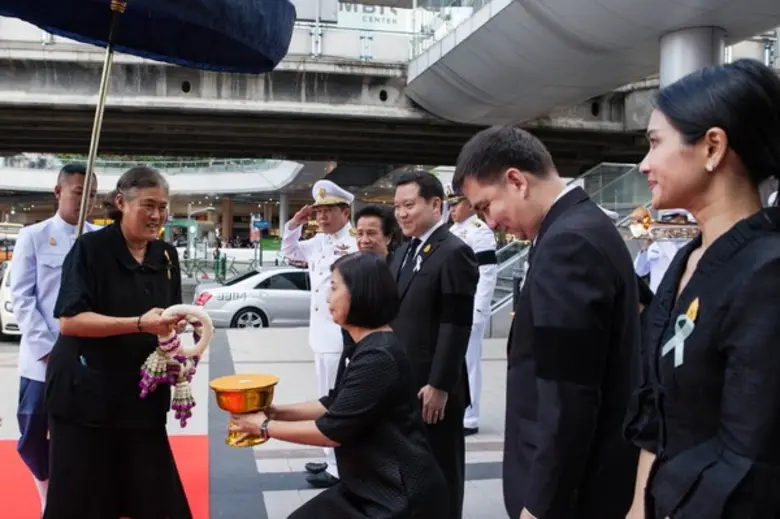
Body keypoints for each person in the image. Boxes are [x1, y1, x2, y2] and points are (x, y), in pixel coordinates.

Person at [453, 125, 640, 519]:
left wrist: (540, 505)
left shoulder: (567, 244)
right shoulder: (585, 227)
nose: (489, 223)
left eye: (486, 206)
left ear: (516, 180)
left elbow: (567, 398)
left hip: (570, 496)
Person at [624, 59, 780, 519]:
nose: (644, 164)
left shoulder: (767, 273)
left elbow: (751, 459)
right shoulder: (686, 260)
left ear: (713, 146)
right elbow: (659, 416)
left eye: (655, 143)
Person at [230, 252, 451, 519]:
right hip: (369, 485)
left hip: (398, 495)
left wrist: (263, 427)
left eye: (334, 288)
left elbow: (333, 430)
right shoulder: (369, 345)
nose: (327, 297)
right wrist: (277, 412)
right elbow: (334, 403)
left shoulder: (378, 356)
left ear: (360, 293)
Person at [44, 167, 191, 519]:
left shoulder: (166, 256)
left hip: (140, 395)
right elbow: (70, 320)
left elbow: (167, 318)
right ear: (121, 202)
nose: (157, 216)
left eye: (163, 207)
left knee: (153, 494)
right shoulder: (90, 249)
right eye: (149, 205)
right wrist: (139, 324)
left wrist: (174, 333)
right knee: (85, 497)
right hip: (86, 395)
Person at [389, 171, 478, 519]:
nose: (401, 214)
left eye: (409, 205)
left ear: (435, 204)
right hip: (403, 384)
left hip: (434, 389)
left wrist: (440, 383)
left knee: (442, 471)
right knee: (408, 470)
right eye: (397, 207)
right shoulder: (401, 253)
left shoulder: (455, 252)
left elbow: (456, 324)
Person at [11, 163, 98, 513]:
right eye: (79, 192)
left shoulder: (99, 242)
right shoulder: (33, 237)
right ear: (58, 191)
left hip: (87, 360)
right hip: (41, 361)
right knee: (33, 435)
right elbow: (22, 298)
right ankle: (45, 489)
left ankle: (75, 496)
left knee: (84, 432)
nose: (86, 200)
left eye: (92, 194)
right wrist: (48, 351)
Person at [280, 179, 358, 488]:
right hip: (321, 336)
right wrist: (294, 224)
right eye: (318, 212)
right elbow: (290, 251)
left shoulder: (354, 242)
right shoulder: (320, 241)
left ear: (345, 211)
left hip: (339, 335)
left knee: (336, 401)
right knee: (328, 397)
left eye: (328, 212)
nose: (321, 218)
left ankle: (340, 467)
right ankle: (331, 458)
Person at [444, 183, 497, 436]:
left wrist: (479, 310)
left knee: (469, 362)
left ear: (468, 204)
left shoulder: (481, 231)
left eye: (455, 204)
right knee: (453, 361)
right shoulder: (452, 231)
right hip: (451, 309)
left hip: (470, 307)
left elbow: (487, 273)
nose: (452, 209)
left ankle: (470, 417)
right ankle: (457, 409)